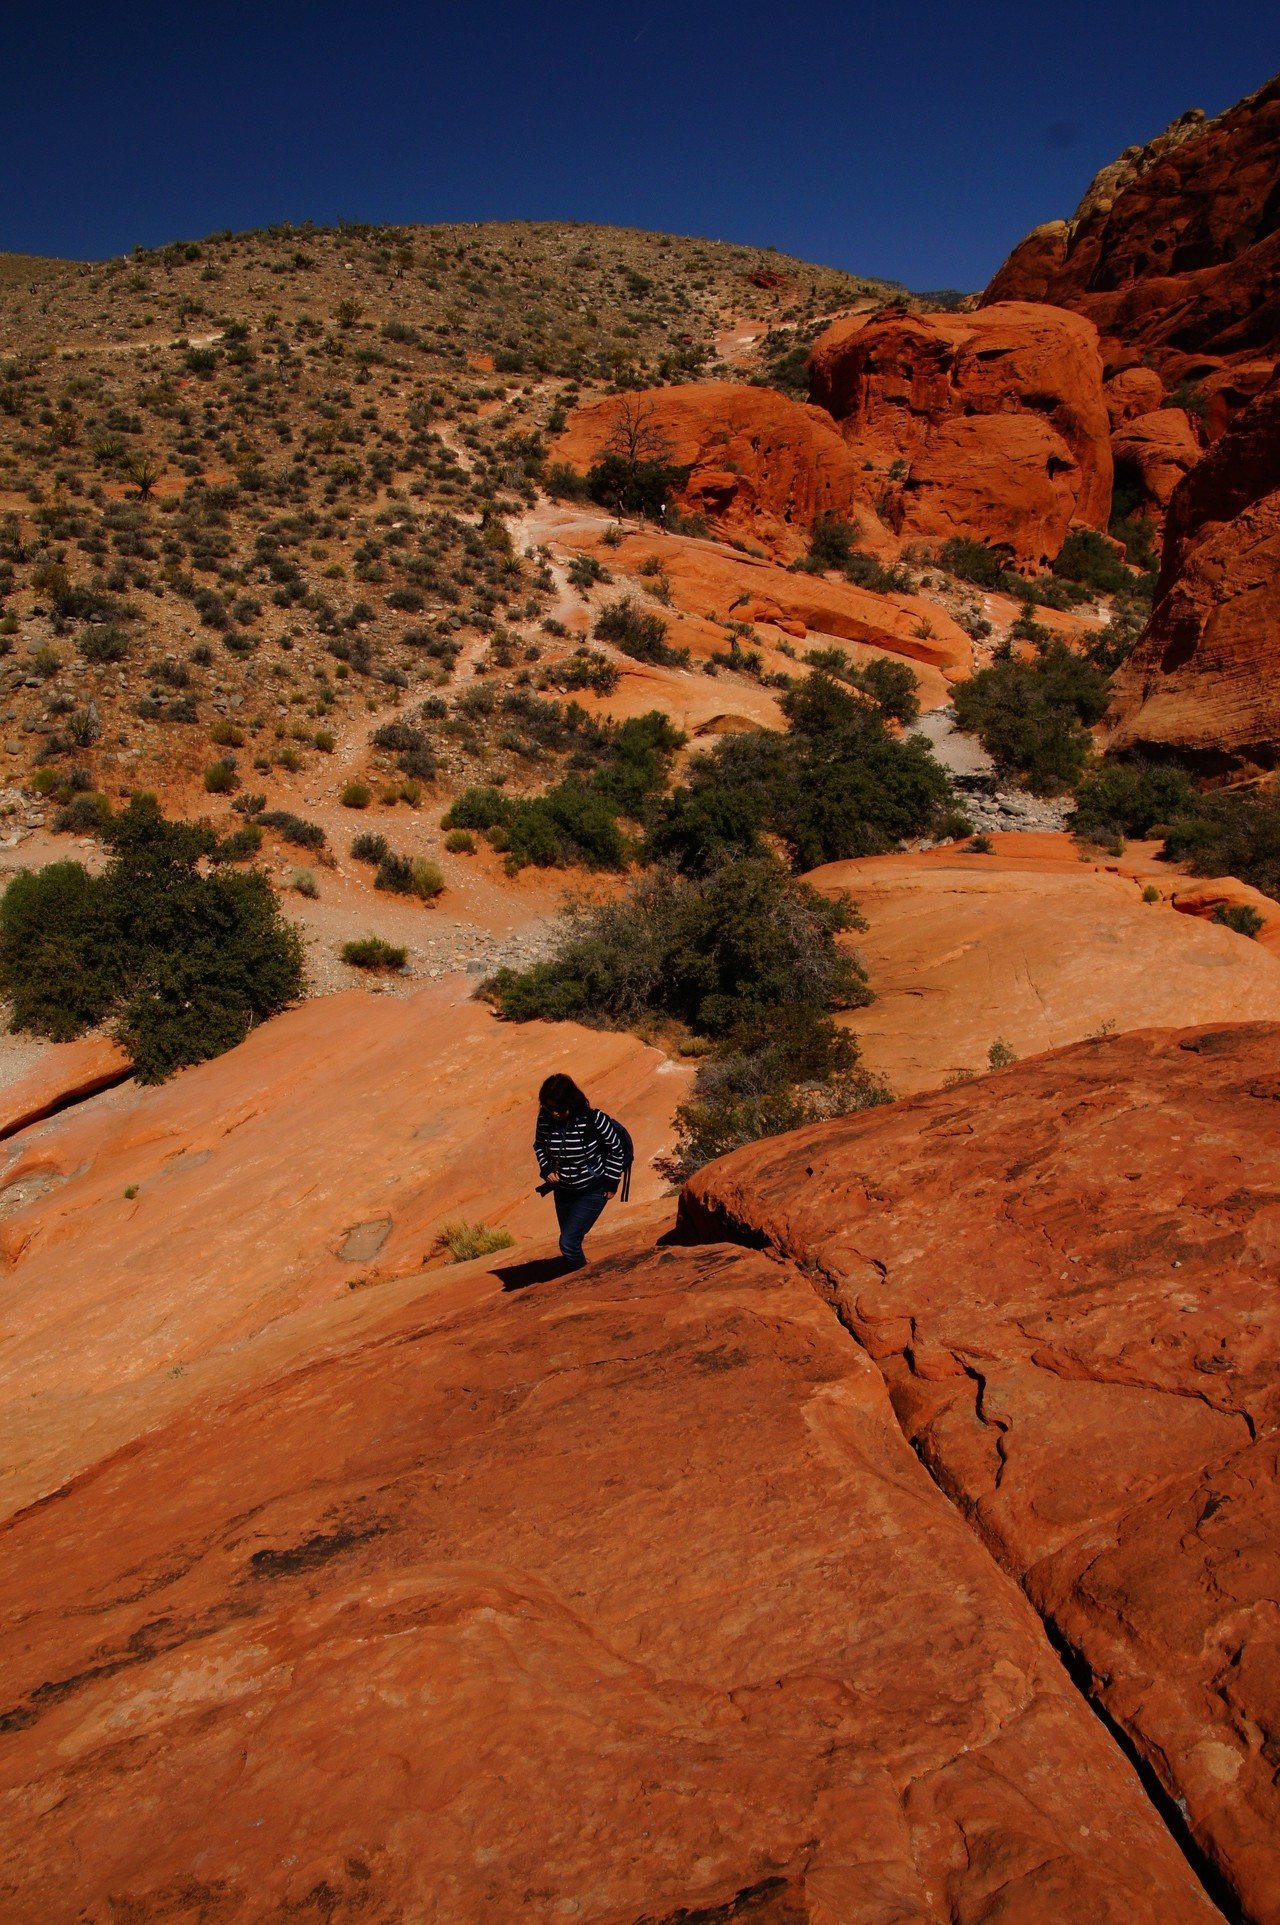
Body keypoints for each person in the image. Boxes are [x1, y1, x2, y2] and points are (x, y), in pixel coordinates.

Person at [534, 1073, 627, 1270]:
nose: (554, 1114)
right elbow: (540, 1145)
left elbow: (615, 1149)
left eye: (559, 1108)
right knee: (571, 1241)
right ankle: (580, 1272)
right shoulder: (545, 1120)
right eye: (549, 1108)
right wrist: (547, 1168)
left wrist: (612, 1183)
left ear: (571, 1102)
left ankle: (582, 1279)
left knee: (567, 1243)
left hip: (592, 1190)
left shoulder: (594, 1120)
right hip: (563, 1191)